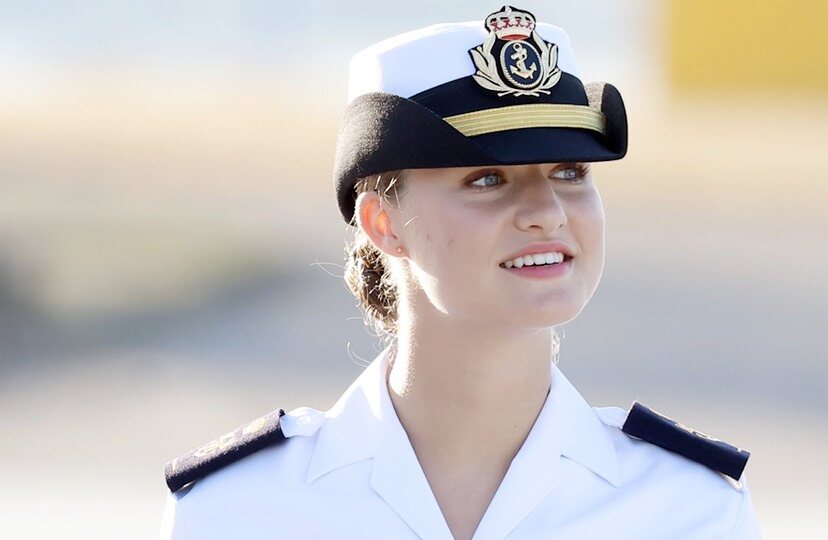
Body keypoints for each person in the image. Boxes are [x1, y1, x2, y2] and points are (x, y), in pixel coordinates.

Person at [160, 5, 761, 539]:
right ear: (381, 223)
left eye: (571, 171)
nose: (547, 213)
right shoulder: (237, 513)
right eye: (487, 179)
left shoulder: (691, 511)